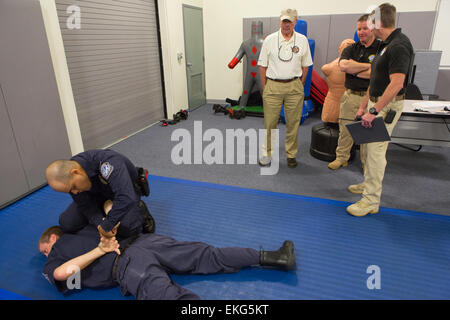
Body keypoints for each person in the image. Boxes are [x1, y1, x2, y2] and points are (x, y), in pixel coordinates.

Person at [38, 202, 296, 300]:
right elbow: (110, 205)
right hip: (145, 243)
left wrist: (98, 251)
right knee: (209, 255)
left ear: (52, 239)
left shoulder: (60, 250)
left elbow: (62, 274)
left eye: (45, 250)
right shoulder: (87, 225)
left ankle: (274, 257)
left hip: (128, 266)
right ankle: (276, 257)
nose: (46, 255)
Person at [346, 3, 414, 217]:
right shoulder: (386, 44)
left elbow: (396, 85)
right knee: (367, 148)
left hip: (386, 108)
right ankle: (368, 184)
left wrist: (374, 111)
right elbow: (376, 80)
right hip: (375, 103)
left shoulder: (399, 46)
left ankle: (371, 201)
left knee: (376, 154)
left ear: (377, 22)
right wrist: (365, 104)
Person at [45, 149, 155, 238]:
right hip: (97, 195)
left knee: (129, 228)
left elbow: (125, 197)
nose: (74, 192)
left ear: (76, 172)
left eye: (73, 187)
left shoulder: (108, 162)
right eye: (69, 191)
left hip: (123, 192)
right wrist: (99, 222)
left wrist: (107, 224)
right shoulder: (70, 178)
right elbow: (85, 205)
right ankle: (106, 210)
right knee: (67, 223)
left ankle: (141, 210)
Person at [258, 8, 313, 168]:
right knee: (269, 123)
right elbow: (262, 65)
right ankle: (267, 154)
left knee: (293, 123)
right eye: (284, 21)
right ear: (280, 21)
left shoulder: (302, 40)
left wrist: (299, 83)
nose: (286, 24)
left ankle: (291, 154)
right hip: (273, 86)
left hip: (294, 87)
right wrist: (265, 87)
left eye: (289, 21)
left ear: (295, 22)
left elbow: (306, 65)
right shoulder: (270, 39)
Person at [328, 14, 381, 171]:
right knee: (345, 130)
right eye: (359, 29)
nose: (361, 32)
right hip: (350, 96)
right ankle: (341, 158)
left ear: (373, 29)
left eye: (365, 28)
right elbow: (343, 66)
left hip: (370, 97)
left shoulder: (381, 48)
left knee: (368, 135)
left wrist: (355, 69)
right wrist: (368, 67)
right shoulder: (352, 48)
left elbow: (377, 73)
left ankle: (366, 164)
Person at [320, 38, 355, 124]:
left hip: (350, 104)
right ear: (339, 49)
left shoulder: (358, 68)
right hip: (333, 103)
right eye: (346, 47)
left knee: (348, 131)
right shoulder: (328, 68)